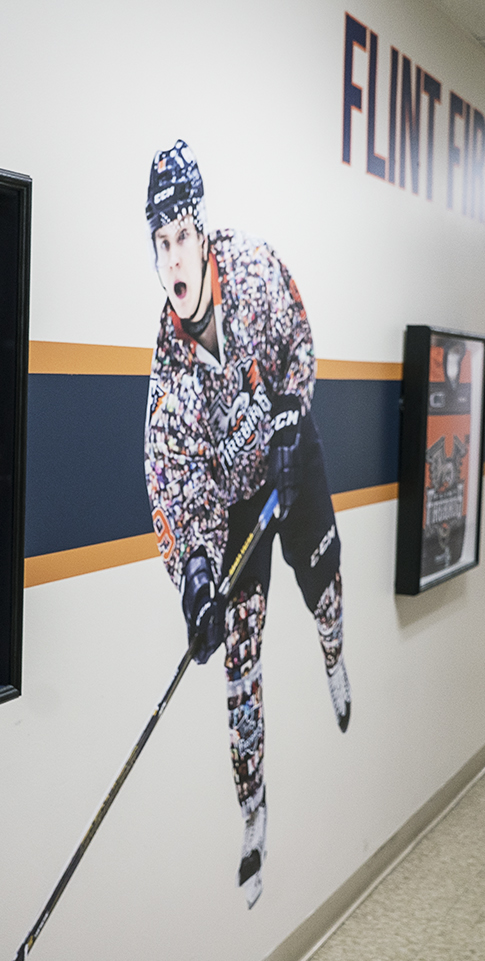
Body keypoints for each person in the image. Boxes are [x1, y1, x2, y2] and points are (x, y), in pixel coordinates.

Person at [142, 140, 351, 909]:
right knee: (240, 665)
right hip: (235, 505)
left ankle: (335, 654)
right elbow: (173, 483)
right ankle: (253, 813)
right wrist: (194, 577)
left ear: (203, 233)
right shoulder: (168, 371)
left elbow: (300, 338)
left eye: (182, 237)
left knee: (324, 589)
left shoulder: (257, 269)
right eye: (159, 243)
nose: (173, 258)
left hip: (293, 453)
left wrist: (295, 415)